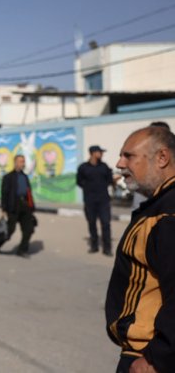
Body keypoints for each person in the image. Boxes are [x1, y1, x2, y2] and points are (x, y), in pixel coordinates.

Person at [105, 126, 175, 373]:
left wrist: (158, 358)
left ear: (162, 158)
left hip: (150, 357)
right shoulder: (158, 206)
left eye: (129, 156)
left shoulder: (167, 215)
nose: (119, 163)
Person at [76, 145, 115, 255]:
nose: (101, 154)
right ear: (93, 153)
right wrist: (89, 187)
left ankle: (107, 248)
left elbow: (109, 180)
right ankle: (94, 246)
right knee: (92, 223)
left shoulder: (104, 166)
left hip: (103, 200)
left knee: (106, 224)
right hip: (90, 201)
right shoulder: (83, 167)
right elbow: (79, 181)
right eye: (100, 152)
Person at [0, 154, 35, 257]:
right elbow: (4, 193)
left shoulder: (25, 177)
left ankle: (22, 250)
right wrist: (3, 207)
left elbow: (29, 192)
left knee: (28, 229)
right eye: (20, 161)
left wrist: (32, 206)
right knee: (10, 229)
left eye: (23, 161)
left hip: (25, 205)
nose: (22, 163)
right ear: (15, 162)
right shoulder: (8, 177)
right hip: (13, 205)